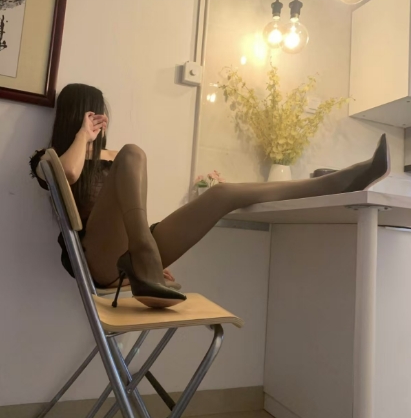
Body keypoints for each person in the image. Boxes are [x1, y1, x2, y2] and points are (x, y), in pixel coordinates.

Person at [30, 84, 390, 309]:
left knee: (223, 193)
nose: (100, 121)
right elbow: (69, 175)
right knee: (132, 152)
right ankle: (144, 256)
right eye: (93, 114)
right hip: (94, 259)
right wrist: (82, 137)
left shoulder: (118, 157)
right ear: (77, 116)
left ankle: (336, 182)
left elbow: (128, 208)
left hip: (129, 251)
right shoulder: (49, 160)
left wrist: (144, 246)